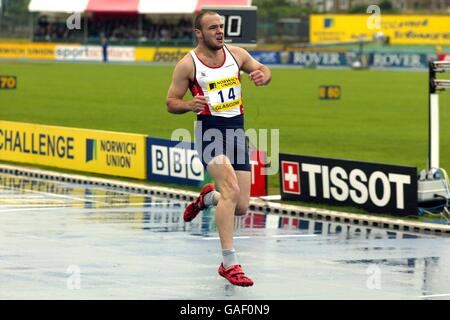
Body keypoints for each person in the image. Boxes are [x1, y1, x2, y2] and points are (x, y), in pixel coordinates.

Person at [166, 11, 271, 287]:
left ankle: (207, 199)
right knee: (232, 190)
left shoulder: (236, 55)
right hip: (210, 132)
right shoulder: (188, 65)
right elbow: (171, 101)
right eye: (213, 28)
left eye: (221, 27)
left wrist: (263, 75)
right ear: (198, 33)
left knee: (240, 206)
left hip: (236, 131)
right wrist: (189, 105)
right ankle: (229, 263)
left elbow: (265, 70)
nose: (220, 31)